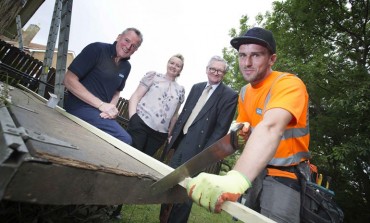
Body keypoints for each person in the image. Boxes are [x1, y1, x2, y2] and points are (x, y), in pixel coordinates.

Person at [186, 27, 310, 223]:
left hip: (285, 175)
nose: (247, 63)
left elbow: (270, 128)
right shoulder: (244, 92)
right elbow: (246, 128)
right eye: (242, 55)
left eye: (256, 55)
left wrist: (235, 179)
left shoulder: (288, 84)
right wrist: (239, 132)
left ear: (272, 59)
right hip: (254, 171)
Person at [160, 55, 238, 223]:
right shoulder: (196, 87)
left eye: (219, 70)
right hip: (181, 143)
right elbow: (186, 113)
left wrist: (205, 155)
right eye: (212, 69)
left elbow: (221, 129)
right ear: (207, 69)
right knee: (171, 183)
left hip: (198, 149)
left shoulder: (229, 95)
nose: (215, 73)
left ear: (224, 73)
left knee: (187, 192)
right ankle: (163, 219)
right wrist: (174, 134)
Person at [63, 27, 143, 145]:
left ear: (136, 50)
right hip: (78, 106)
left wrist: (110, 109)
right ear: (118, 37)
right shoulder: (97, 49)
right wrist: (100, 105)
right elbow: (68, 79)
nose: (129, 46)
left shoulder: (127, 67)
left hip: (99, 113)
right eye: (127, 40)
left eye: (134, 46)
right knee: (125, 140)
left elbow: (116, 92)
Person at [127, 54, 185, 156]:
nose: (174, 66)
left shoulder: (180, 90)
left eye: (178, 65)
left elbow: (174, 115)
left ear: (180, 70)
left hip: (159, 135)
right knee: (130, 155)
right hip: (141, 124)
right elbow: (136, 96)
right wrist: (133, 118)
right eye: (172, 63)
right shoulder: (153, 77)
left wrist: (169, 134)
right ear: (167, 63)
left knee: (141, 162)